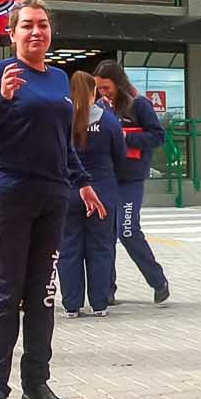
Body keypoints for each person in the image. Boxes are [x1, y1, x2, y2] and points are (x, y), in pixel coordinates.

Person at [0, 0, 106, 399]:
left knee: (43, 296)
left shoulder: (60, 78)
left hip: (52, 197)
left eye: (42, 24)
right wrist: (3, 98)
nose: (36, 31)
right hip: (6, 194)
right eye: (27, 25)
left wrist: (82, 182)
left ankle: (36, 384)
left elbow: (63, 142)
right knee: (5, 296)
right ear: (12, 33)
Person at [93, 59, 170, 304]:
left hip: (131, 179)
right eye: (99, 88)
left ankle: (158, 281)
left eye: (106, 87)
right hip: (106, 178)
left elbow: (158, 136)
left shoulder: (139, 105)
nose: (103, 93)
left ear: (118, 83)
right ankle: (106, 290)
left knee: (127, 230)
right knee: (105, 235)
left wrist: (125, 136)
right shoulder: (100, 107)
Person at [61, 70, 129, 316]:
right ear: (93, 92)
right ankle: (100, 304)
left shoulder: (63, 121)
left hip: (69, 192)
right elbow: (120, 158)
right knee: (101, 248)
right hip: (103, 191)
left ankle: (71, 305)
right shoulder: (109, 122)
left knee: (69, 248)